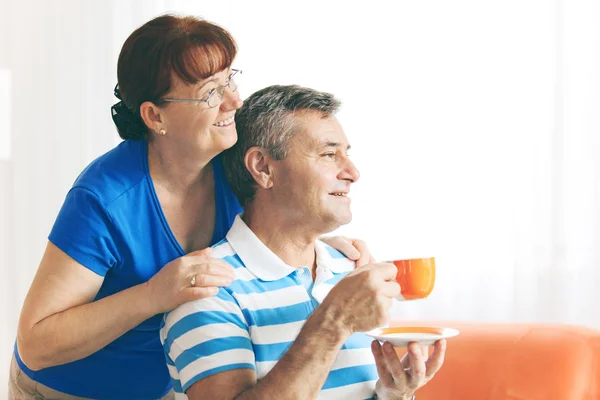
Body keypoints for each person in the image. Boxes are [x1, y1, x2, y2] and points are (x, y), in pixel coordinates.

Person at [9, 16, 370, 400]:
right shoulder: (106, 198)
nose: (235, 101)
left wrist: (323, 245)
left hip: (161, 385)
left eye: (231, 79)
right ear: (155, 116)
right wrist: (152, 295)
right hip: (66, 389)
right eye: (211, 92)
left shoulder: (230, 163)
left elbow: (278, 206)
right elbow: (36, 343)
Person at [160, 85, 446, 400]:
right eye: (328, 154)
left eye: (346, 154)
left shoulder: (351, 269)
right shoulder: (206, 290)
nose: (353, 173)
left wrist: (394, 392)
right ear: (263, 168)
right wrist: (334, 320)